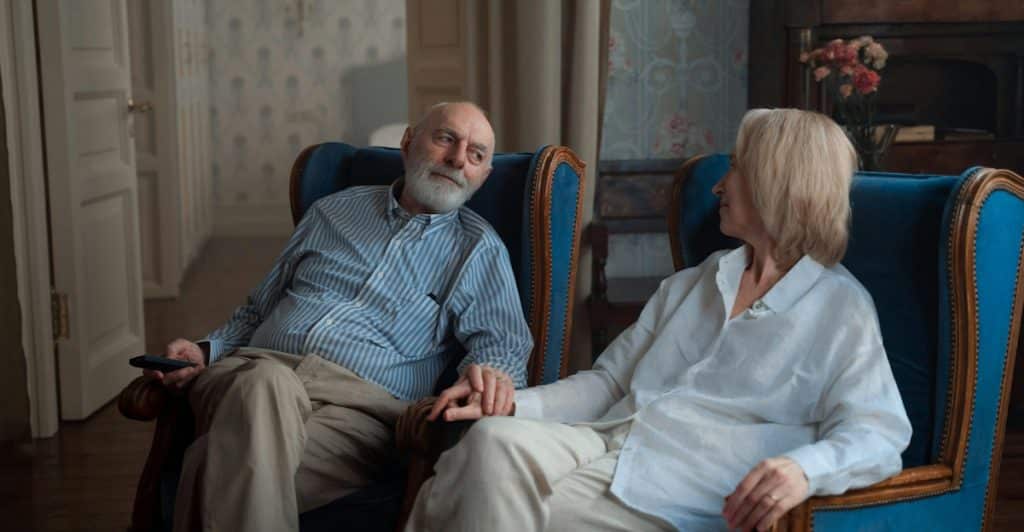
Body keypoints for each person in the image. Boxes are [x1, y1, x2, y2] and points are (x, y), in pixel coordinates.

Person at [408, 108, 913, 532]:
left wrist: (804, 470)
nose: (718, 185)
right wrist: (508, 401)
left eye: (735, 167)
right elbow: (608, 383)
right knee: (490, 439)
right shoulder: (696, 282)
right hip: (605, 439)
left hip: (683, 485)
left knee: (462, 492)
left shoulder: (839, 307)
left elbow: (879, 433)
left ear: (776, 182)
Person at [142, 102, 532, 532]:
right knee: (264, 385)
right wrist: (204, 349)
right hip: (253, 370)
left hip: (358, 420)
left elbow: (503, 344)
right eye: (445, 139)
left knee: (211, 463)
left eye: (476, 154)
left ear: (483, 176)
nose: (458, 159)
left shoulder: (477, 249)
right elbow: (260, 307)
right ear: (407, 141)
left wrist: (491, 378)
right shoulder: (334, 210)